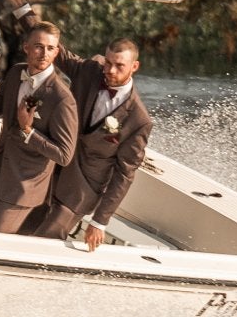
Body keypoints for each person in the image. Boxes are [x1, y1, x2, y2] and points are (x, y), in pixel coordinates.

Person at [35, 39, 152, 250]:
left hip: (81, 189)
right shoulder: (90, 72)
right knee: (21, 230)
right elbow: (53, 46)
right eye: (107, 63)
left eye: (119, 66)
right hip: (49, 168)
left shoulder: (138, 119)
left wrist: (100, 221)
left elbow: (124, 174)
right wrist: (21, 10)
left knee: (44, 240)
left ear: (134, 67)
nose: (110, 70)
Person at [0, 21, 78, 234]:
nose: (44, 53)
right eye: (39, 46)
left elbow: (64, 155)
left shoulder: (62, 98)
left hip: (24, 187)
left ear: (57, 51)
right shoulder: (15, 73)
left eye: (51, 48)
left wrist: (28, 131)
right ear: (26, 47)